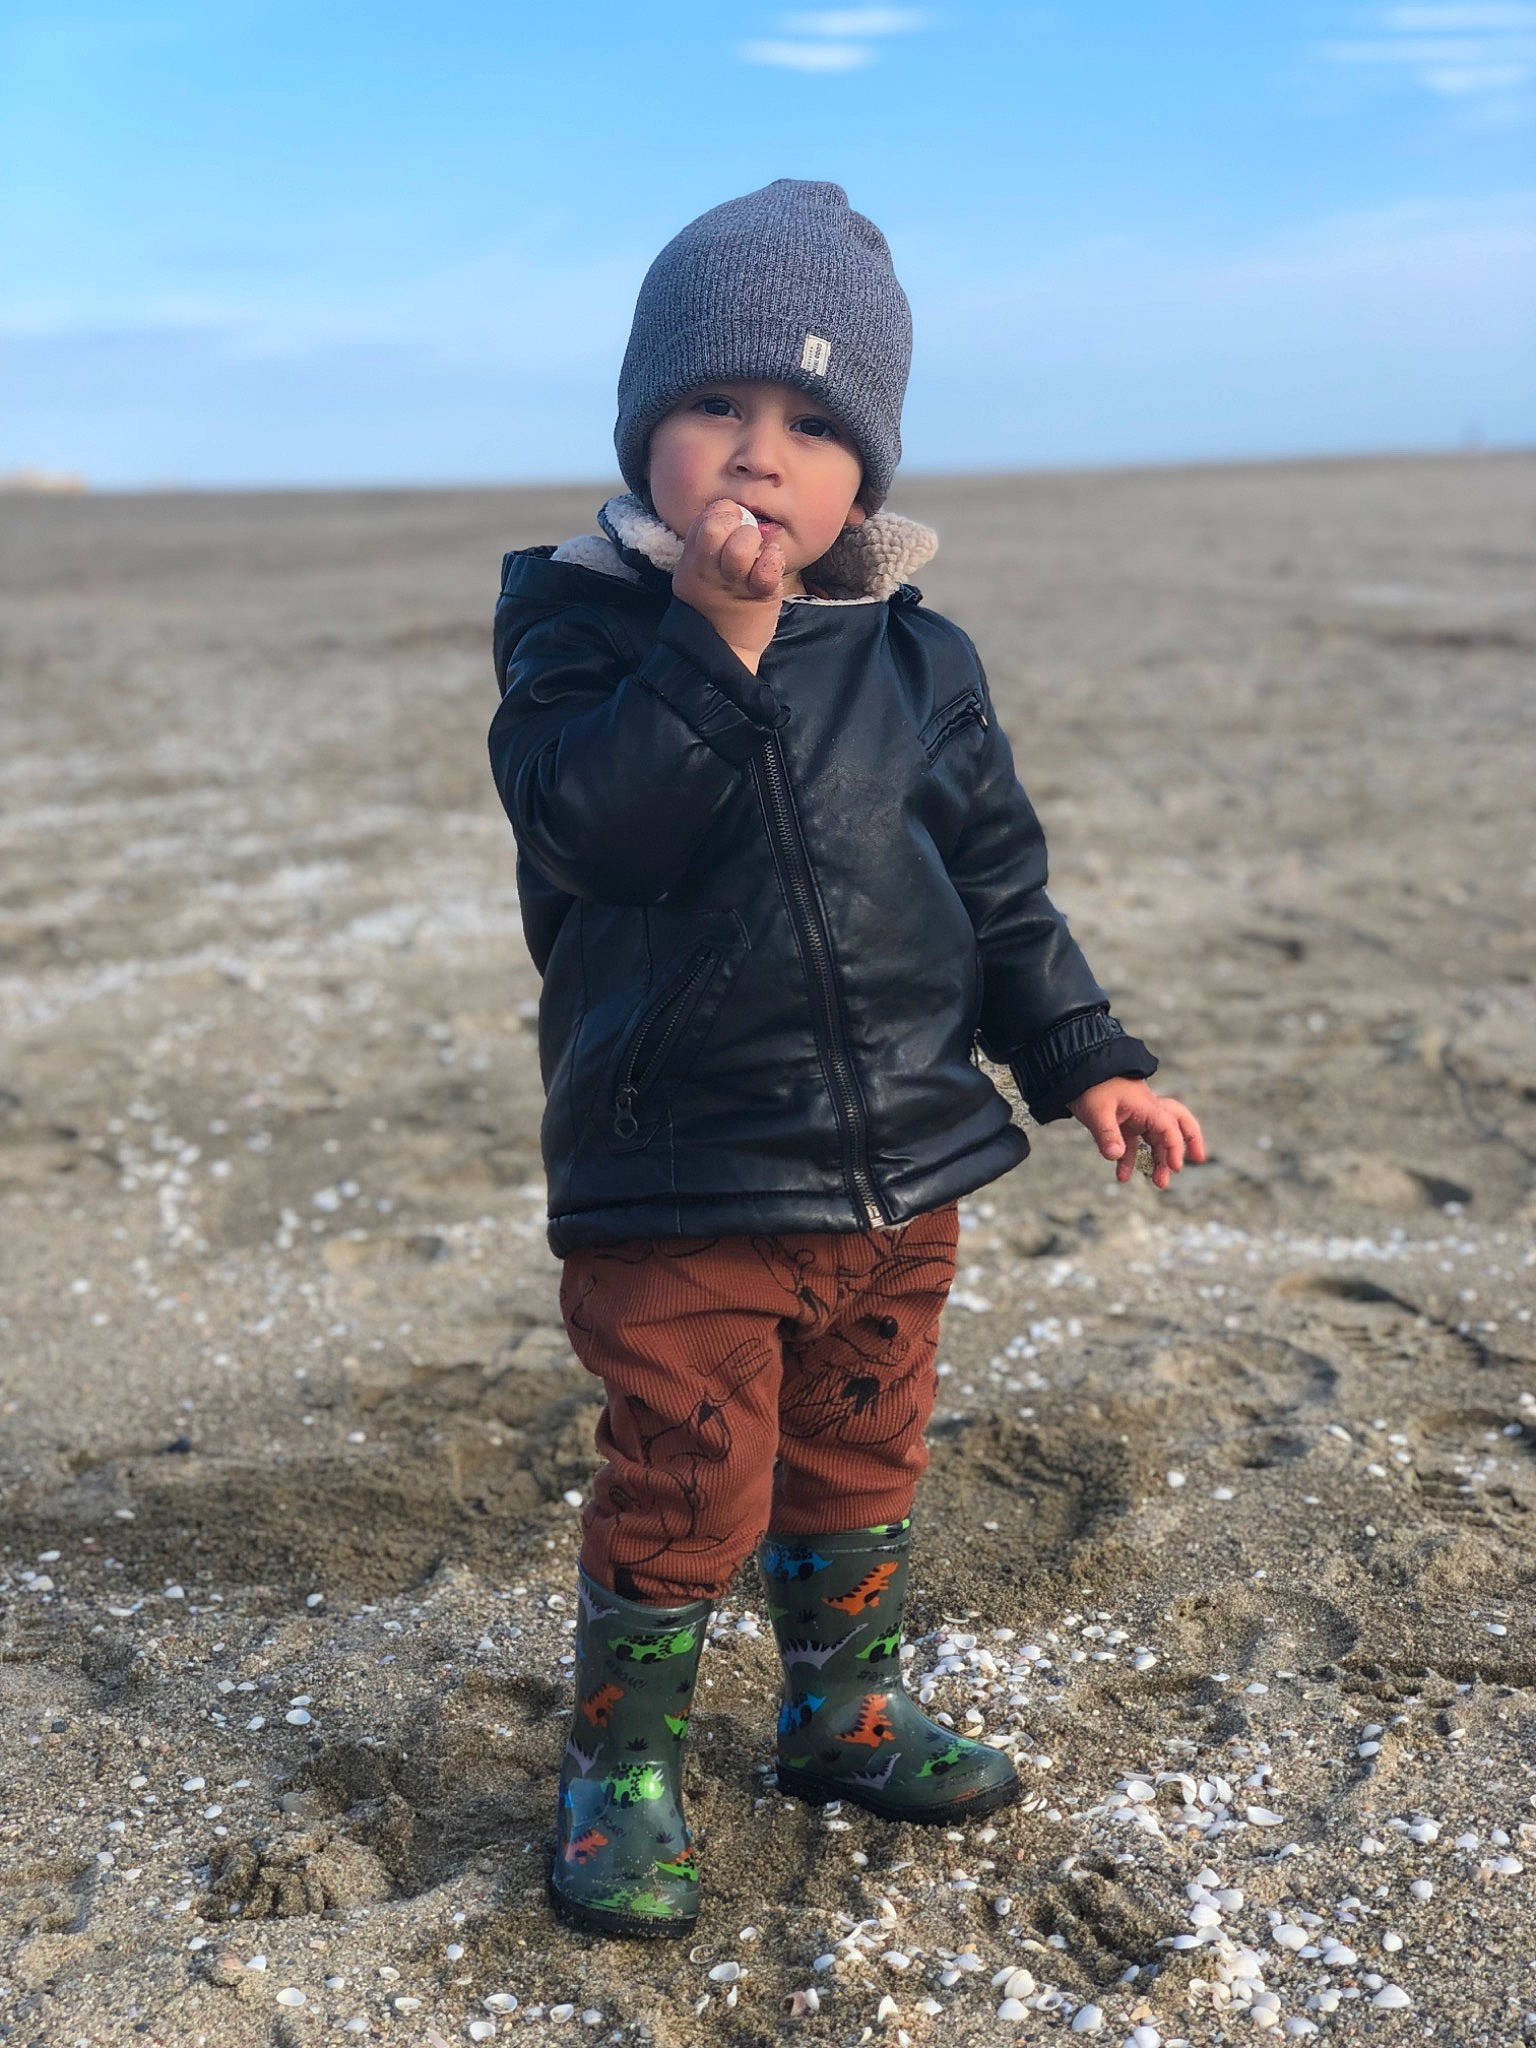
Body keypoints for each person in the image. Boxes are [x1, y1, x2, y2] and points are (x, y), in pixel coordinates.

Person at [488, 179, 1205, 1939]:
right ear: (644, 431)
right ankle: (620, 1772)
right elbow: (597, 833)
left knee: (862, 1449)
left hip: (901, 1161)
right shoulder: (576, 629)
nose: (761, 453)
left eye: (814, 426)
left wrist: (1086, 1057)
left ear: (865, 479)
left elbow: (999, 891)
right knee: (686, 1473)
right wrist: (715, 638)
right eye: (717, 404)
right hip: (681, 1170)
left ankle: (840, 1715)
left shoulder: (919, 657)